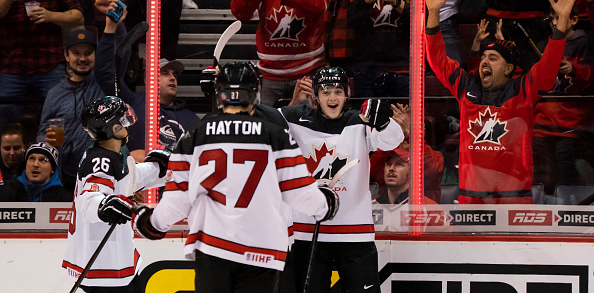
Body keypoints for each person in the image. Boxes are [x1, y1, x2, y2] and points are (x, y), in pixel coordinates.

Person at [133, 62, 338, 293]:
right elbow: (298, 191)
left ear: (219, 95)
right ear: (254, 93)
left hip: (212, 246)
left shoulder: (195, 135)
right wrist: (324, 205)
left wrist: (153, 224)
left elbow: (178, 197)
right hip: (262, 249)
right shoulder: (275, 134)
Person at [425, 0, 579, 204]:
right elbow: (437, 59)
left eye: (493, 58)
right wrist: (434, 15)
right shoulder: (466, 85)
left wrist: (561, 26)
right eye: (484, 57)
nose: (485, 61)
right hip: (471, 197)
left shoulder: (523, 89)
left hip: (513, 199)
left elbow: (548, 67)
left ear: (509, 68)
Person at [279, 66, 404, 292]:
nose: (332, 97)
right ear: (315, 96)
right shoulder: (295, 118)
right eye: (326, 91)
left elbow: (392, 141)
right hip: (306, 234)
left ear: (347, 94)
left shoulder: (360, 121)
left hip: (355, 234)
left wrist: (384, 121)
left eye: (338, 91)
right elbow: (262, 125)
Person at [62, 96, 170, 291]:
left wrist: (161, 169)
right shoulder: (100, 160)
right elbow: (90, 198)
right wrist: (104, 206)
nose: (127, 125)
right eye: (123, 121)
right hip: (104, 265)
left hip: (114, 260)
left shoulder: (112, 154)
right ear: (113, 128)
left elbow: (130, 178)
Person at [93, 0, 200, 158]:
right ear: (148, 79)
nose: (172, 77)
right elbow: (105, 75)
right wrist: (112, 27)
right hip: (139, 181)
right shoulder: (133, 104)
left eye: (174, 74)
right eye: (165, 73)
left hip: (175, 181)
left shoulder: (191, 118)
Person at [0, 0, 84, 129]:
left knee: (56, 125)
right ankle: (7, 160)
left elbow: (78, 16)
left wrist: (50, 15)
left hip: (49, 65)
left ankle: (57, 160)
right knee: (3, 124)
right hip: (11, 67)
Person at [533, 4, 594, 194]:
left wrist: (575, 70)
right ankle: (543, 201)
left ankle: (569, 203)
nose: (554, 23)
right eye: (552, 19)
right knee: (537, 155)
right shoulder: (545, 44)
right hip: (544, 117)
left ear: (574, 20)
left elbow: (591, 79)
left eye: (559, 18)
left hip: (573, 119)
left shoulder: (585, 43)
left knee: (564, 155)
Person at [37, 29, 103, 193]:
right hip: (64, 176)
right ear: (66, 55)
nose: (82, 58)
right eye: (76, 53)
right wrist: (46, 139)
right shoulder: (55, 93)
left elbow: (112, 58)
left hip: (99, 173)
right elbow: (42, 132)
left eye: (88, 53)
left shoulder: (103, 84)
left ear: (95, 55)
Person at [0, 142, 72, 202]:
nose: (35, 164)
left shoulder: (64, 199)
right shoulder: (6, 191)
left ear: (52, 169)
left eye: (43, 160)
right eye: (32, 158)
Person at [371, 149, 437, 205]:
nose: (391, 168)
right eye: (389, 164)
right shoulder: (370, 206)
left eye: (399, 164)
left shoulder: (428, 207)